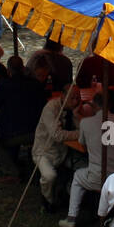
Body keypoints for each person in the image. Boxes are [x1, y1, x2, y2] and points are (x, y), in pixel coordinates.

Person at [60, 90, 114, 227]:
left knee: (78, 176)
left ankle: (71, 218)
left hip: (99, 176)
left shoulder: (86, 122)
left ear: (95, 105)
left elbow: (83, 146)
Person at [33, 69, 79, 213]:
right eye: (72, 98)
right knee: (49, 175)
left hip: (63, 151)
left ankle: (69, 194)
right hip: (44, 151)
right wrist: (79, 133)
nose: (76, 101)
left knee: (80, 166)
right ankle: (47, 200)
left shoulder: (76, 109)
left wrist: (79, 115)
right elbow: (57, 135)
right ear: (63, 96)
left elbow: (83, 126)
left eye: (78, 98)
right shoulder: (51, 108)